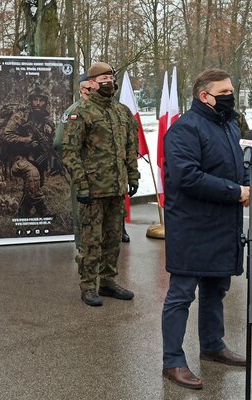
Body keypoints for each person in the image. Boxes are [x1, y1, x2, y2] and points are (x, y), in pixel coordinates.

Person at [161, 68, 252, 390]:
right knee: (181, 296)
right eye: (225, 92)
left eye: (232, 91)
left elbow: (245, 165)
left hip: (222, 227)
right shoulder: (183, 130)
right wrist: (236, 192)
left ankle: (213, 345)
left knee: (217, 290)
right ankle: (173, 361)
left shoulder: (230, 125)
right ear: (204, 96)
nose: (231, 97)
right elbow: (187, 177)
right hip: (192, 228)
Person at [61, 61, 139, 307]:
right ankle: (87, 285)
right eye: (102, 79)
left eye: (110, 78)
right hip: (92, 190)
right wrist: (81, 185)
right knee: (90, 240)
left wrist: (133, 176)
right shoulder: (81, 112)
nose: (108, 82)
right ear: (91, 84)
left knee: (113, 239)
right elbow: (70, 152)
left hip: (117, 188)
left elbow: (130, 147)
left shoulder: (122, 111)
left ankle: (107, 281)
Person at [4, 86, 58, 217]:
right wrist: (26, 140)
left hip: (37, 159)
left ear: (45, 102)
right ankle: (43, 211)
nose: (38, 103)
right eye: (35, 100)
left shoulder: (47, 122)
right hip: (18, 157)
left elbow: (53, 142)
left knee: (34, 185)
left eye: (41, 100)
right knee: (32, 175)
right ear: (31, 101)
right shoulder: (21, 116)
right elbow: (7, 136)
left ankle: (23, 214)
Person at [54, 73, 90, 248]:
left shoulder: (106, 110)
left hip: (105, 175)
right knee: (82, 213)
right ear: (82, 89)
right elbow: (60, 142)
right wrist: (75, 164)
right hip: (82, 172)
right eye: (87, 87)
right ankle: (83, 249)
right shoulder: (73, 111)